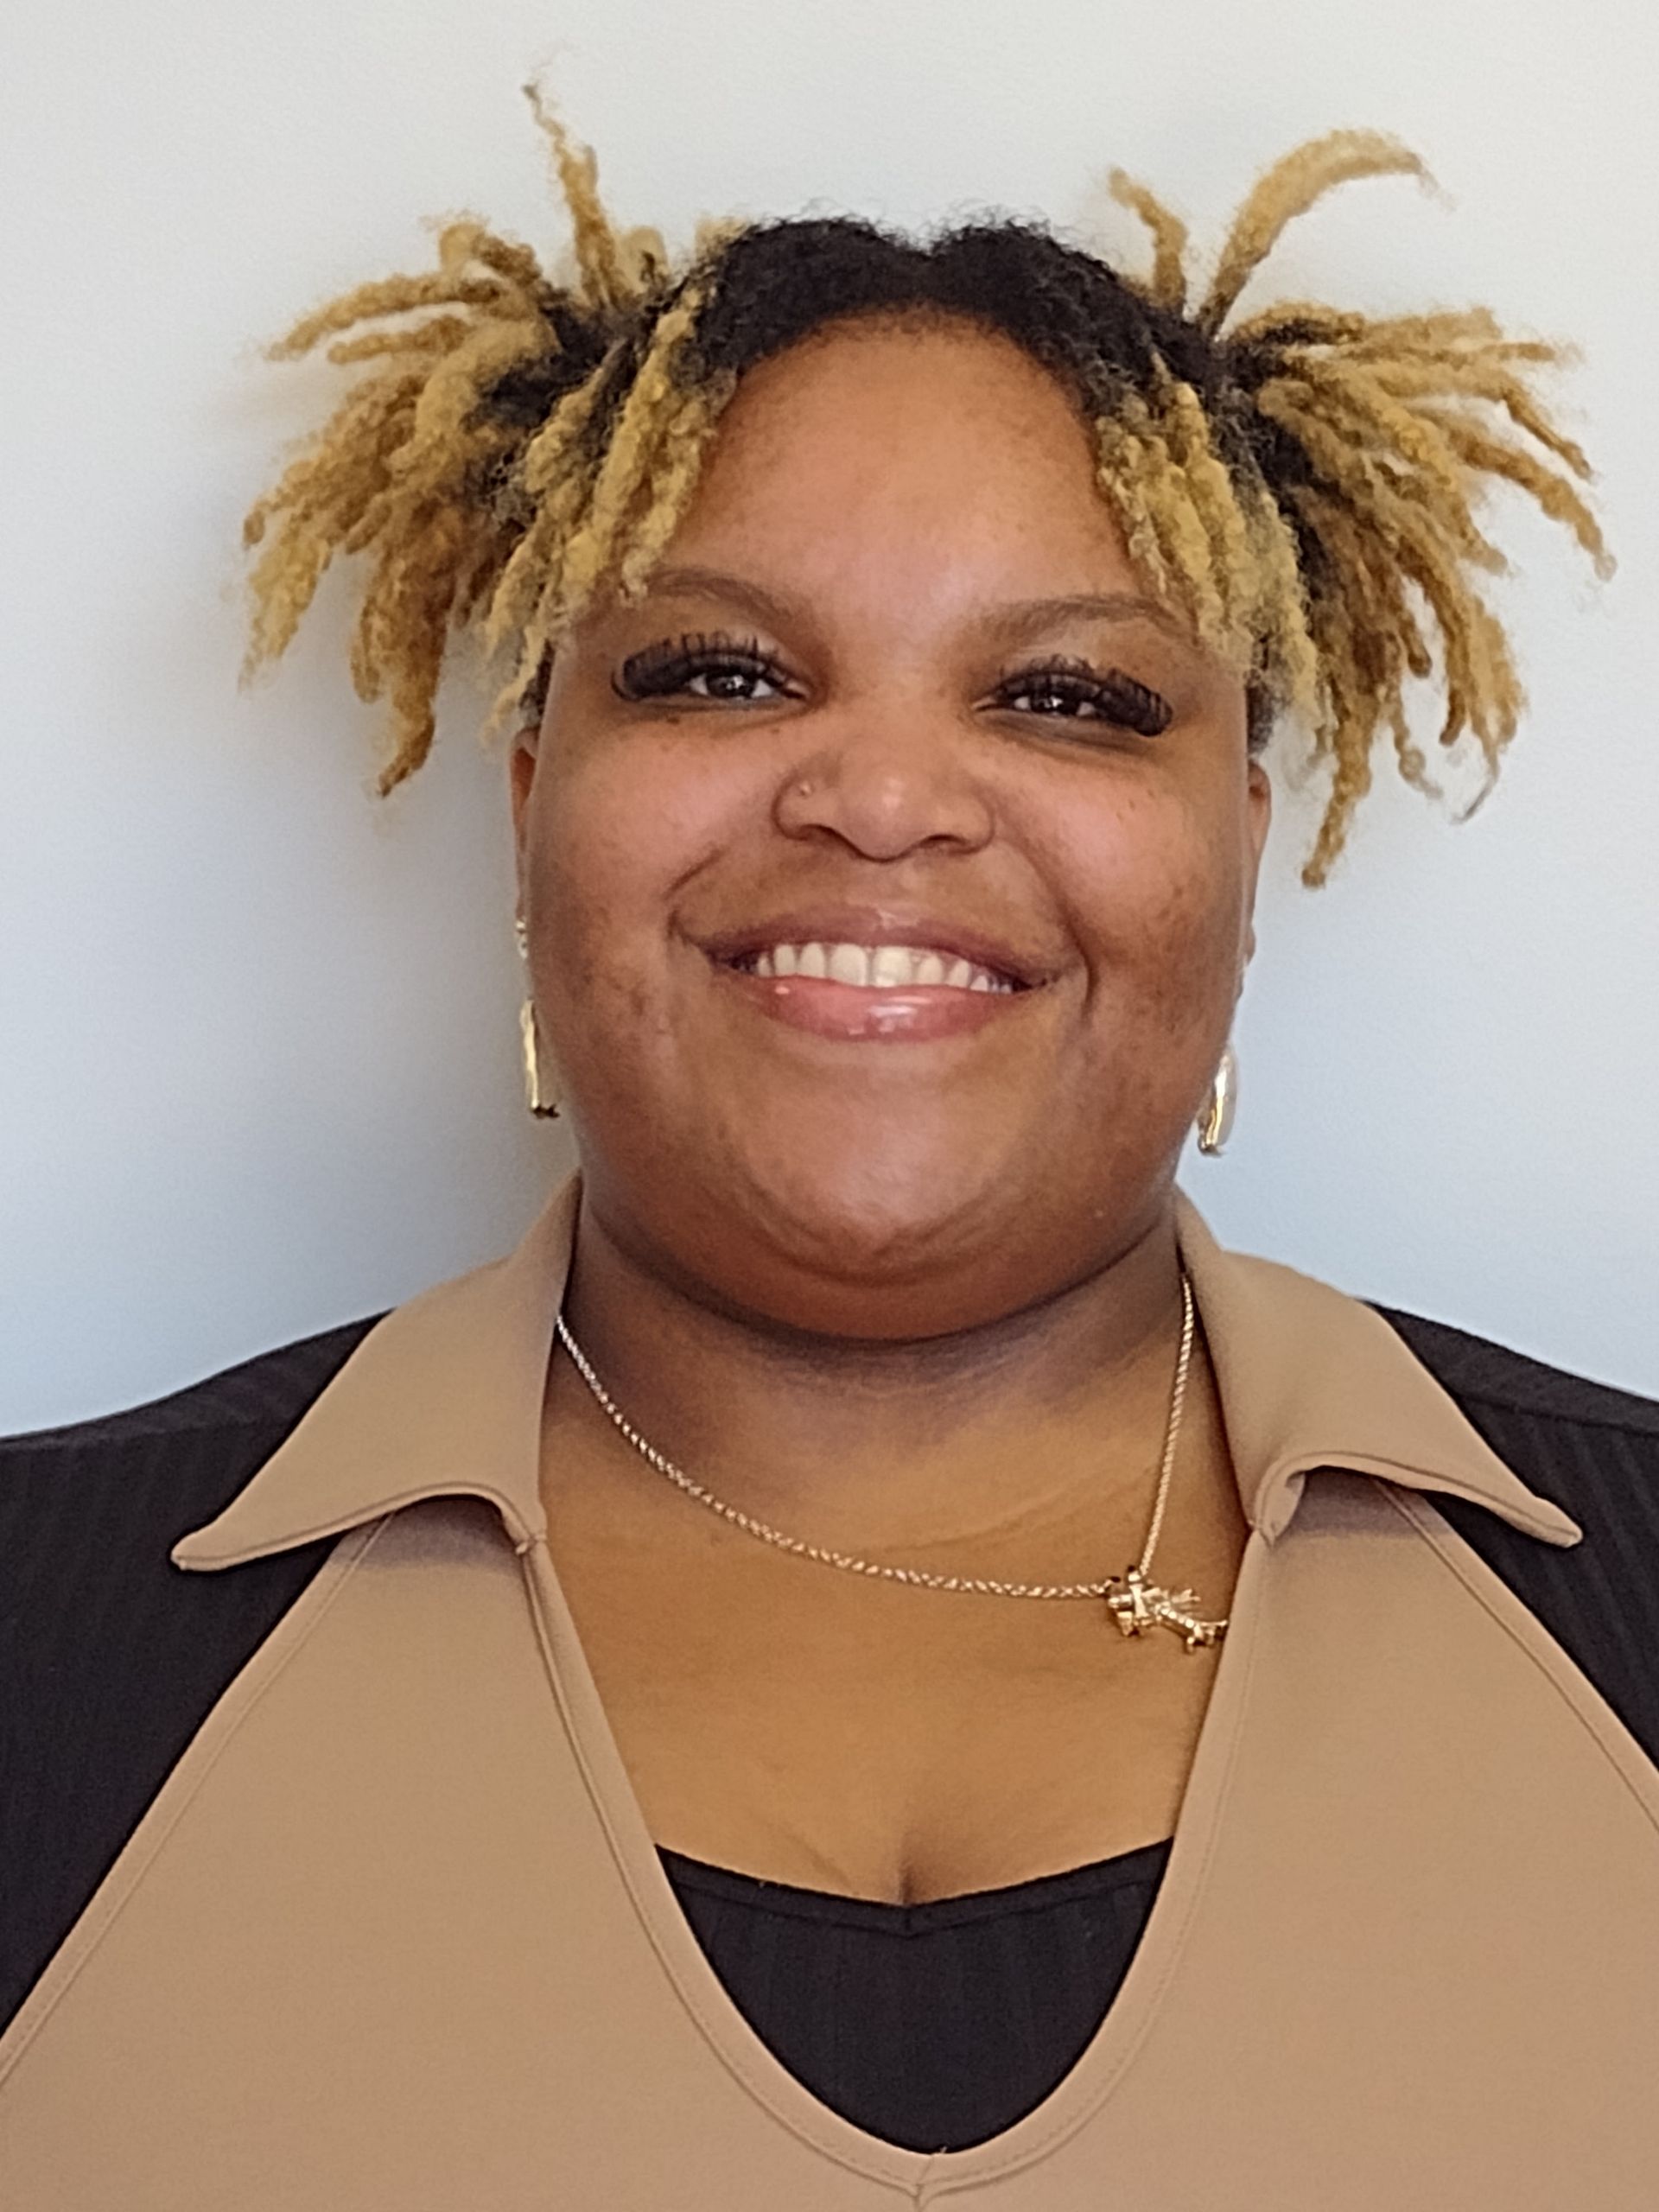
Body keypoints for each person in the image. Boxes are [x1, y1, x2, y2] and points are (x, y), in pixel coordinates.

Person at [3, 90, 1656, 2209]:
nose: (883, 798)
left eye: (1068, 695)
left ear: (1247, 842)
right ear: (529, 818)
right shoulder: (42, 1639)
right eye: (718, 670)